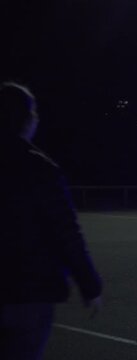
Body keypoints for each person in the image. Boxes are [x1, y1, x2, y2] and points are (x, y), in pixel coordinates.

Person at [0, 82, 102, 360]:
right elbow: (66, 232)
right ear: (27, 119)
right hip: (31, 295)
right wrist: (90, 285)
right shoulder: (40, 168)